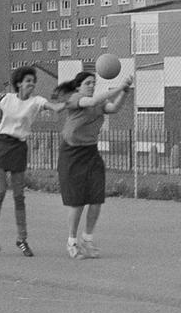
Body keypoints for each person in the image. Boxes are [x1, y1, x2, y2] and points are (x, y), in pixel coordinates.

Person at [0, 65, 65, 256]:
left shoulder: (36, 102)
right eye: (28, 81)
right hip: (0, 145)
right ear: (19, 83)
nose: (32, 84)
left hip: (18, 148)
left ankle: (21, 239)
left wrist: (71, 102)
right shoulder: (6, 99)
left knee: (18, 196)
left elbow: (55, 107)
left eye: (33, 81)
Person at [54, 70, 133, 259]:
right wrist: (118, 86)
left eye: (93, 83)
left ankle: (87, 240)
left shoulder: (99, 102)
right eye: (88, 83)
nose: (91, 86)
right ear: (78, 86)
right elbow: (91, 102)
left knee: (96, 199)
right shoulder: (75, 98)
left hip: (91, 152)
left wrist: (124, 92)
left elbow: (114, 108)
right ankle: (72, 241)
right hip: (72, 154)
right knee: (77, 202)